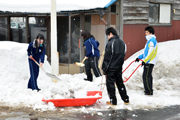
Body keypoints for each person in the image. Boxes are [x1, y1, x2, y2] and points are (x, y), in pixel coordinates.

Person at [102, 27, 129, 106]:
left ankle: (113, 101)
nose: (108, 37)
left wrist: (104, 68)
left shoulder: (110, 43)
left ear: (110, 33)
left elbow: (107, 58)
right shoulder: (122, 42)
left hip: (111, 68)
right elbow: (123, 55)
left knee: (110, 84)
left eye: (108, 35)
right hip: (119, 67)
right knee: (120, 83)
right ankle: (126, 99)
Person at [135, 26, 158, 95]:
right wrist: (139, 57)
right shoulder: (149, 41)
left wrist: (145, 61)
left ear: (151, 33)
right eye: (145, 32)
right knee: (148, 76)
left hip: (150, 61)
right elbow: (146, 53)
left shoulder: (152, 40)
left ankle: (149, 91)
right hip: (148, 61)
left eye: (147, 32)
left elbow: (151, 53)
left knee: (146, 76)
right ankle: (149, 90)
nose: (146, 34)